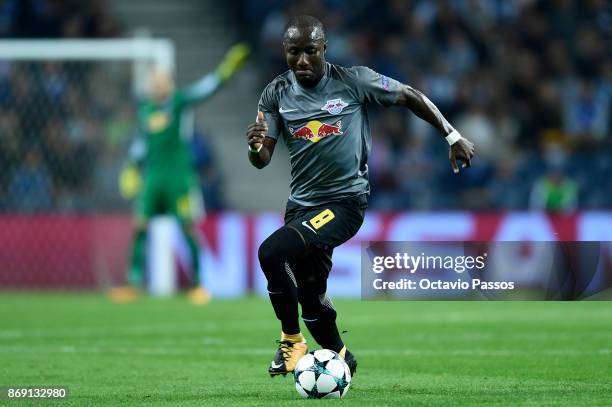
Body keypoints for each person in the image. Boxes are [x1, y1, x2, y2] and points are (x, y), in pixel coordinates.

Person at [246, 16, 474, 377]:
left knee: (272, 252)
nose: (302, 61)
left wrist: (452, 136)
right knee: (309, 292)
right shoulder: (275, 93)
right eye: (294, 53)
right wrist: (255, 147)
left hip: (343, 204)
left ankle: (291, 341)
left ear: (324, 49)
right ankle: (341, 356)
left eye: (310, 52)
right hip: (301, 207)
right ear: (284, 52)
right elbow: (261, 159)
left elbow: (410, 96)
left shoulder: (352, 81)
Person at [109, 43, 250, 304]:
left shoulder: (179, 102)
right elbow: (141, 144)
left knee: (186, 227)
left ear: (170, 83)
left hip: (178, 178)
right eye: (154, 81)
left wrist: (224, 73)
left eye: (162, 81)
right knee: (140, 226)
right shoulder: (145, 111)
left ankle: (198, 285)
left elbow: (205, 89)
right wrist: (131, 167)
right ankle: (133, 283)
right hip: (153, 178)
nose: (157, 85)